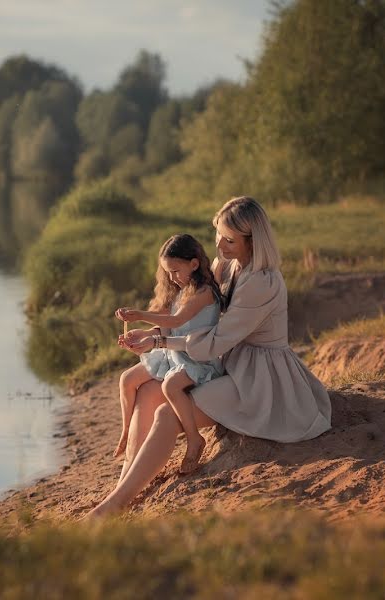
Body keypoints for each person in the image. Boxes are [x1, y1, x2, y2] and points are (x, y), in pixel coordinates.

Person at [87, 197, 331, 518]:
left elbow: (214, 342)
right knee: (146, 391)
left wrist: (158, 340)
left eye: (230, 239)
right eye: (217, 234)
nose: (219, 244)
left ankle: (115, 504)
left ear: (253, 241)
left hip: (258, 377)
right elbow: (195, 318)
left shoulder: (262, 282)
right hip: (226, 362)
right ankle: (121, 488)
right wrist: (153, 337)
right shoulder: (223, 265)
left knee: (166, 413)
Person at [113, 234, 224, 475]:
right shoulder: (180, 291)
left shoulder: (203, 292)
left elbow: (177, 320)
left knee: (171, 386)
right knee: (127, 379)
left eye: (175, 271)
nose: (172, 277)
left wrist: (139, 314)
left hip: (198, 358)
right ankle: (124, 433)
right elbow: (167, 327)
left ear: (194, 264)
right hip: (175, 354)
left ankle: (194, 439)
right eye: (168, 272)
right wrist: (140, 334)